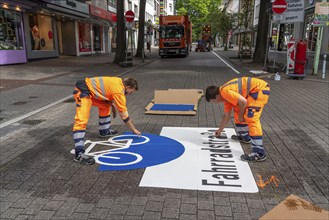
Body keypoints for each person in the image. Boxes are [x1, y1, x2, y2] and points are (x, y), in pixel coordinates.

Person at [72, 77, 141, 165]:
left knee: (105, 105)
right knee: (81, 121)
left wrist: (111, 104)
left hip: (89, 91)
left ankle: (104, 131)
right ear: (127, 87)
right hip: (82, 92)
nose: (130, 93)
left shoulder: (118, 81)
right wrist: (134, 130)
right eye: (131, 91)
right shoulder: (119, 92)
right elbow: (124, 116)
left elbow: (106, 91)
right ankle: (79, 154)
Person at [205, 77, 270, 162]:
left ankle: (259, 153)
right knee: (237, 110)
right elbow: (226, 116)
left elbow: (243, 102)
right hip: (255, 90)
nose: (215, 103)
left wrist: (241, 115)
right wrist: (220, 130)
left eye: (213, 101)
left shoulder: (225, 92)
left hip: (259, 90)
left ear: (217, 96)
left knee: (251, 118)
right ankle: (244, 137)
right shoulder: (226, 99)